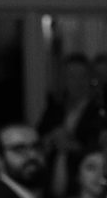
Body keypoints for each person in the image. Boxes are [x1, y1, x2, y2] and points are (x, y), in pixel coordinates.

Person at [36, 51, 102, 186]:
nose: (77, 82)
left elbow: (102, 150)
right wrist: (50, 139)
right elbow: (37, 138)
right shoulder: (54, 108)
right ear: (64, 79)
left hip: (82, 184)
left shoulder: (99, 111)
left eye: (82, 76)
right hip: (50, 184)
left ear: (90, 78)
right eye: (71, 76)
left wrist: (74, 147)